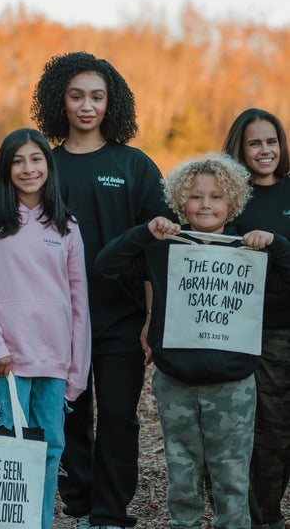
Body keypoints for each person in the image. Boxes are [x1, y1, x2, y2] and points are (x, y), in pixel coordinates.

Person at [95, 155, 290, 529]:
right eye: (196, 197)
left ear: (232, 202)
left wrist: (276, 243)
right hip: (176, 384)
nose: (205, 204)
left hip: (233, 385)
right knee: (182, 476)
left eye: (216, 197)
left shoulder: (250, 253)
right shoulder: (162, 247)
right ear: (180, 200)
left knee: (231, 477)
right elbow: (106, 264)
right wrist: (144, 232)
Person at [31, 51, 170, 529]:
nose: (86, 106)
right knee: (67, 417)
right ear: (60, 102)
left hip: (121, 317)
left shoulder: (135, 165)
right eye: (76, 96)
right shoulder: (41, 165)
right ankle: (82, 505)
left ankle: (111, 514)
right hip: (58, 318)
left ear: (112, 103)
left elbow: (157, 246)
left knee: (116, 417)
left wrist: (153, 318)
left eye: (96, 96)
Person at [0, 128, 92, 529]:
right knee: (8, 455)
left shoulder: (67, 226)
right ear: (6, 168)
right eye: (18, 160)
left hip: (55, 362)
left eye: (36, 159)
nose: (28, 169)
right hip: (7, 362)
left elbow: (79, 304)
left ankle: (39, 524)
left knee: (48, 451)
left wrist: (76, 373)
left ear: (49, 164)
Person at [223, 108, 290, 529]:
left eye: (271, 141)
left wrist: (277, 244)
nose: (265, 150)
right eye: (254, 143)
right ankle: (263, 517)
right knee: (268, 433)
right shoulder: (229, 198)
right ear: (240, 149)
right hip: (258, 334)